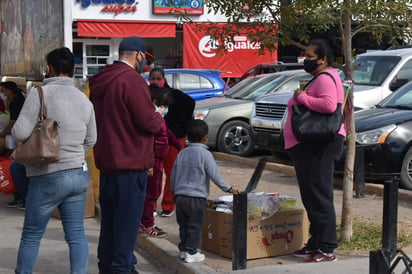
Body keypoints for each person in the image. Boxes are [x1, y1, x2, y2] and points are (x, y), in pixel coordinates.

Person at [12, 47, 97, 274]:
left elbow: (20, 132)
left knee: (31, 234)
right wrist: (73, 153)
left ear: (47, 69)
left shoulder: (40, 94)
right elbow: (92, 139)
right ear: (74, 70)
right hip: (78, 173)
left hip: (47, 174)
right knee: (76, 234)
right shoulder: (83, 99)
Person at [88, 36, 164, 274]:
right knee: (126, 229)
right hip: (130, 166)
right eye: (145, 59)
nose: (145, 64)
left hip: (108, 164)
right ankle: (122, 268)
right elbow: (146, 121)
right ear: (138, 55)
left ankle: (109, 268)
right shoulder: (132, 80)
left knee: (110, 226)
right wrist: (159, 115)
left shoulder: (101, 80)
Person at [283, 38, 345, 263]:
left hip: (318, 146)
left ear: (323, 59)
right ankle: (316, 242)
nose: (305, 60)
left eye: (309, 56)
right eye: (305, 55)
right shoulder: (319, 78)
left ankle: (327, 248)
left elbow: (329, 106)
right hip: (307, 147)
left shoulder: (326, 78)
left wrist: (302, 98)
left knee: (319, 196)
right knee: (311, 196)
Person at [170, 119, 239, 263]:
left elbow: (173, 174)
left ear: (187, 137)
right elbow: (215, 175)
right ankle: (191, 251)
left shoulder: (182, 153)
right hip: (196, 197)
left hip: (180, 196)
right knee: (195, 225)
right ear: (205, 138)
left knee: (183, 224)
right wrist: (229, 188)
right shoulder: (205, 155)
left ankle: (183, 249)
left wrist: (173, 191)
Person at [148, 67, 195, 217]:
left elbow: (190, 104)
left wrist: (178, 125)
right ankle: (152, 205)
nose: (155, 81)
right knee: (154, 173)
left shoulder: (174, 94)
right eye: (152, 78)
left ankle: (168, 204)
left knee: (172, 173)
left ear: (164, 79)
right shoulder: (146, 93)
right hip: (153, 140)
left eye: (158, 78)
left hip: (173, 138)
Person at [139, 84, 183, 238]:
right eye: (162, 105)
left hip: (158, 161)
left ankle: (144, 221)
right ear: (154, 102)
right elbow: (147, 143)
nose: (165, 109)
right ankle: (147, 224)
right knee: (151, 194)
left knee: (152, 193)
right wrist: (150, 163)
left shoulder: (159, 118)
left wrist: (179, 146)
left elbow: (167, 134)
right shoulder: (151, 118)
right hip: (153, 162)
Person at [0, 81, 26, 208]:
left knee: (15, 167)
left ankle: (21, 197)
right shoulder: (14, 102)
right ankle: (18, 196)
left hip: (19, 140)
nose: (2, 93)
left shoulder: (16, 103)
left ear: (9, 90)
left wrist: (1, 135)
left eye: (3, 90)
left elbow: (12, 124)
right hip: (17, 139)